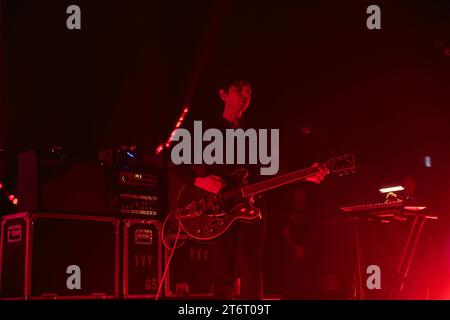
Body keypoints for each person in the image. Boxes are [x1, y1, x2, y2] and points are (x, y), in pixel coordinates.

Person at [171, 72, 327, 299]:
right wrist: (201, 181)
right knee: (222, 270)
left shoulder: (254, 131)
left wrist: (305, 175)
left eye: (249, 92)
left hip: (253, 205)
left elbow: (270, 170)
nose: (246, 95)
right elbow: (176, 161)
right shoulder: (207, 131)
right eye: (240, 89)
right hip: (220, 209)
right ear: (223, 94)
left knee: (248, 260)